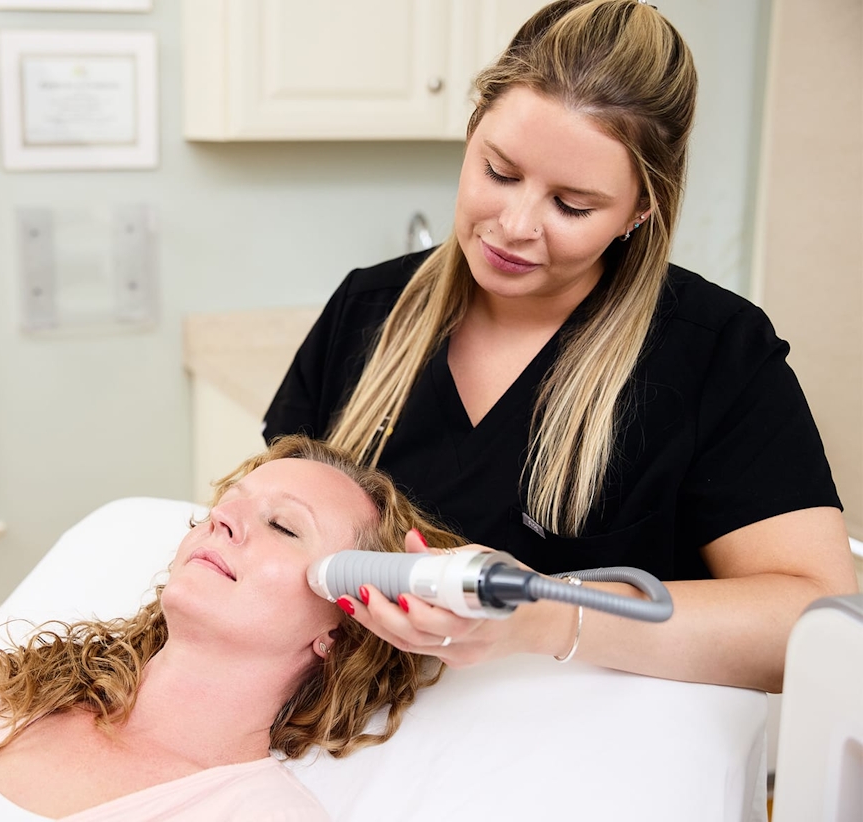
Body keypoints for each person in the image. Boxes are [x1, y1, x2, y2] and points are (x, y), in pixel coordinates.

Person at [264, 0, 859, 694]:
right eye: (499, 171)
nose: (515, 225)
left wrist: (545, 619)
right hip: (356, 741)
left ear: (641, 209)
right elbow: (265, 523)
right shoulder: (369, 309)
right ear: (471, 133)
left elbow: (811, 621)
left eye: (572, 206)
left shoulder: (714, 355)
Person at [0, 435, 464, 821]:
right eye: (227, 502)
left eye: (283, 525)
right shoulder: (2, 696)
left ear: (340, 626)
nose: (222, 521)